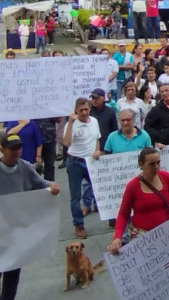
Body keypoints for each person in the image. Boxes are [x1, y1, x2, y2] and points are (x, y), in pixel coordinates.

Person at [0, 133, 60, 300]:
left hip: (16, 231)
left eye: (19, 148)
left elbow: (41, 184)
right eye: (12, 149)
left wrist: (52, 186)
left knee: (13, 272)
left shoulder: (26, 167)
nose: (17, 152)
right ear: (2, 150)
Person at [62, 98, 102, 239]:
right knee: (75, 196)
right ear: (76, 111)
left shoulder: (94, 121)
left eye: (86, 109)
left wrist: (97, 151)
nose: (84, 113)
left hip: (91, 161)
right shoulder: (71, 124)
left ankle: (111, 218)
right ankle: (79, 225)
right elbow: (66, 142)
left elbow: (97, 138)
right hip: (75, 162)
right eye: (81, 110)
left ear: (89, 108)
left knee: (100, 189)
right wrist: (71, 123)